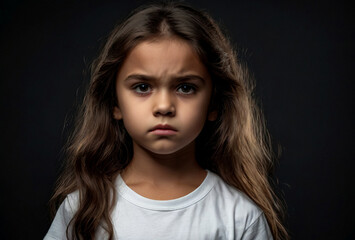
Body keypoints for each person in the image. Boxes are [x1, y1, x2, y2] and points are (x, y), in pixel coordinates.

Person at [44, 2, 288, 240]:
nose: (163, 106)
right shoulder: (82, 209)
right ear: (114, 102)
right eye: (142, 87)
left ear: (214, 103)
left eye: (185, 87)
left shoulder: (239, 217)